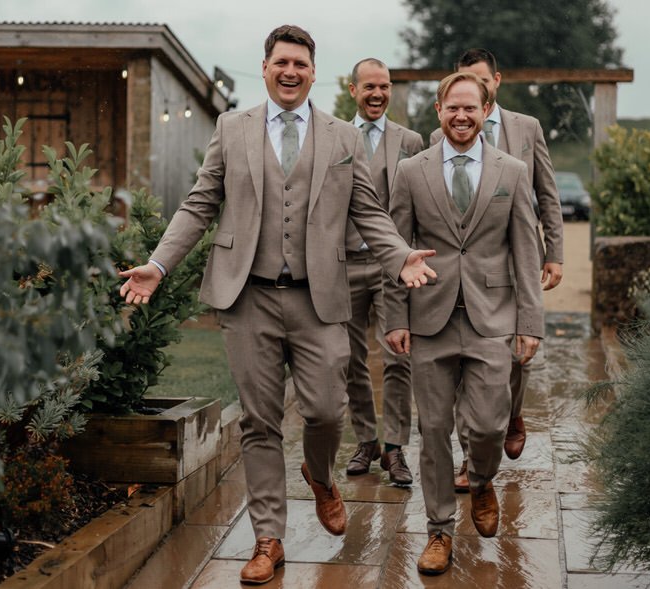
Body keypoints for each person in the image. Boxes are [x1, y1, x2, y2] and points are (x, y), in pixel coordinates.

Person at [118, 25, 436, 586]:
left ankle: (319, 475)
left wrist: (399, 256)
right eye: (282, 62)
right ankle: (270, 539)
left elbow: (367, 211)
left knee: (326, 412)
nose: (291, 72)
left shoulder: (342, 137)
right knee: (261, 423)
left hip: (320, 300)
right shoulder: (230, 128)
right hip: (249, 300)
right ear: (265, 68)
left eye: (301, 65)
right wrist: (159, 264)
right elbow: (198, 204)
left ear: (315, 74)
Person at [385, 72, 543, 575]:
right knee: (432, 431)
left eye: (470, 109)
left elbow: (525, 247)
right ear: (438, 111)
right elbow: (395, 246)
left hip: (491, 318)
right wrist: (394, 316)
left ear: (485, 111)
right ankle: (438, 531)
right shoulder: (411, 171)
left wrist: (530, 321)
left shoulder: (512, 172)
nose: (461, 116)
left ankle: (480, 480)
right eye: (452, 108)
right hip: (429, 318)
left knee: (490, 425)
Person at [430, 49, 563, 487]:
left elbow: (547, 193)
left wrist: (554, 251)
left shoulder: (526, 128)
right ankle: (473, 461)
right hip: (467, 271)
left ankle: (513, 414)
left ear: (494, 87)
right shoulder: (437, 140)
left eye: (480, 87)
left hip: (516, 256)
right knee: (468, 372)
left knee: (515, 361)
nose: (469, 102)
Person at [343, 58, 424, 486]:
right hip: (345, 262)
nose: (377, 94)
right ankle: (365, 440)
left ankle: (394, 448)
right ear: (352, 89)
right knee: (350, 359)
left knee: (398, 354)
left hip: (392, 265)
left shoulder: (410, 141)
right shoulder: (335, 137)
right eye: (369, 87)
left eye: (385, 87)